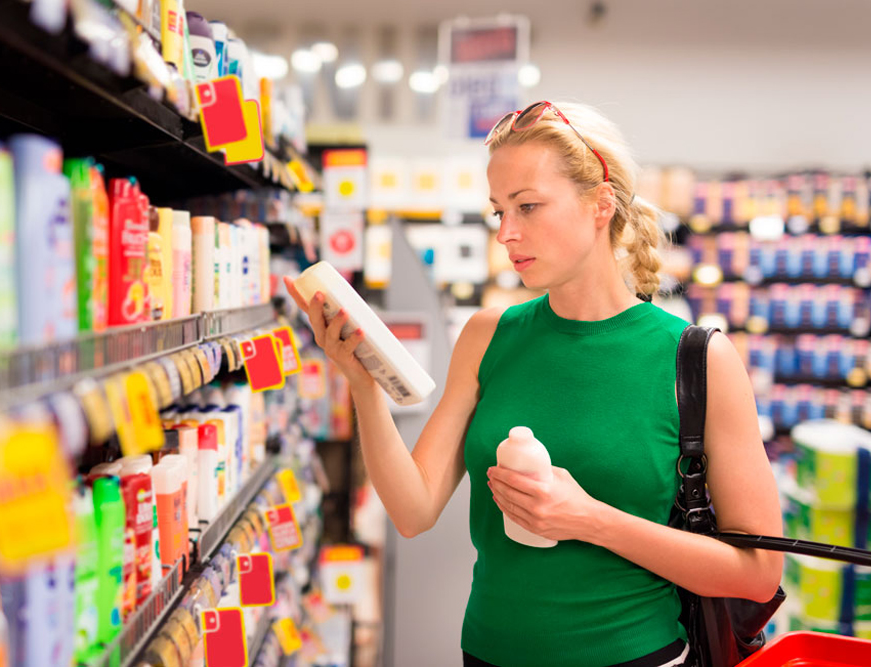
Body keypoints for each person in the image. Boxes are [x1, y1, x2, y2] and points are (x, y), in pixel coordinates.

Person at [284, 101, 783, 667]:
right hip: (487, 653)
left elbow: (758, 575)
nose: (507, 233)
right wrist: (362, 383)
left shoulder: (698, 360)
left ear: (601, 203)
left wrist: (588, 519)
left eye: (528, 207)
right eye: (498, 211)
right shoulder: (488, 336)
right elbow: (413, 510)